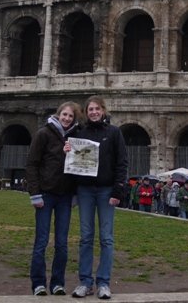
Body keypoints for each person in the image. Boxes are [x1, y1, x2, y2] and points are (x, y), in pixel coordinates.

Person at [67, 96, 127, 300]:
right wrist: (68, 151)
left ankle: (103, 282)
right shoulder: (79, 134)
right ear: (86, 112)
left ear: (103, 110)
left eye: (97, 109)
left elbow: (122, 163)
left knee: (106, 238)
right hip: (84, 190)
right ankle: (85, 282)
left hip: (105, 190)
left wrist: (117, 190)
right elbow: (72, 167)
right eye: (90, 109)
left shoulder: (113, 132)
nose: (93, 112)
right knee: (85, 237)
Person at [26, 101, 81, 296]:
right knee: (41, 241)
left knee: (62, 243)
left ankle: (58, 283)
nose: (67, 119)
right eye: (64, 114)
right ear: (58, 114)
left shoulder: (77, 137)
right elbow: (32, 165)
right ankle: (39, 284)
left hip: (65, 195)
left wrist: (75, 195)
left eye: (70, 116)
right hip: (45, 195)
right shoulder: (43, 134)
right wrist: (35, 194)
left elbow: (79, 168)